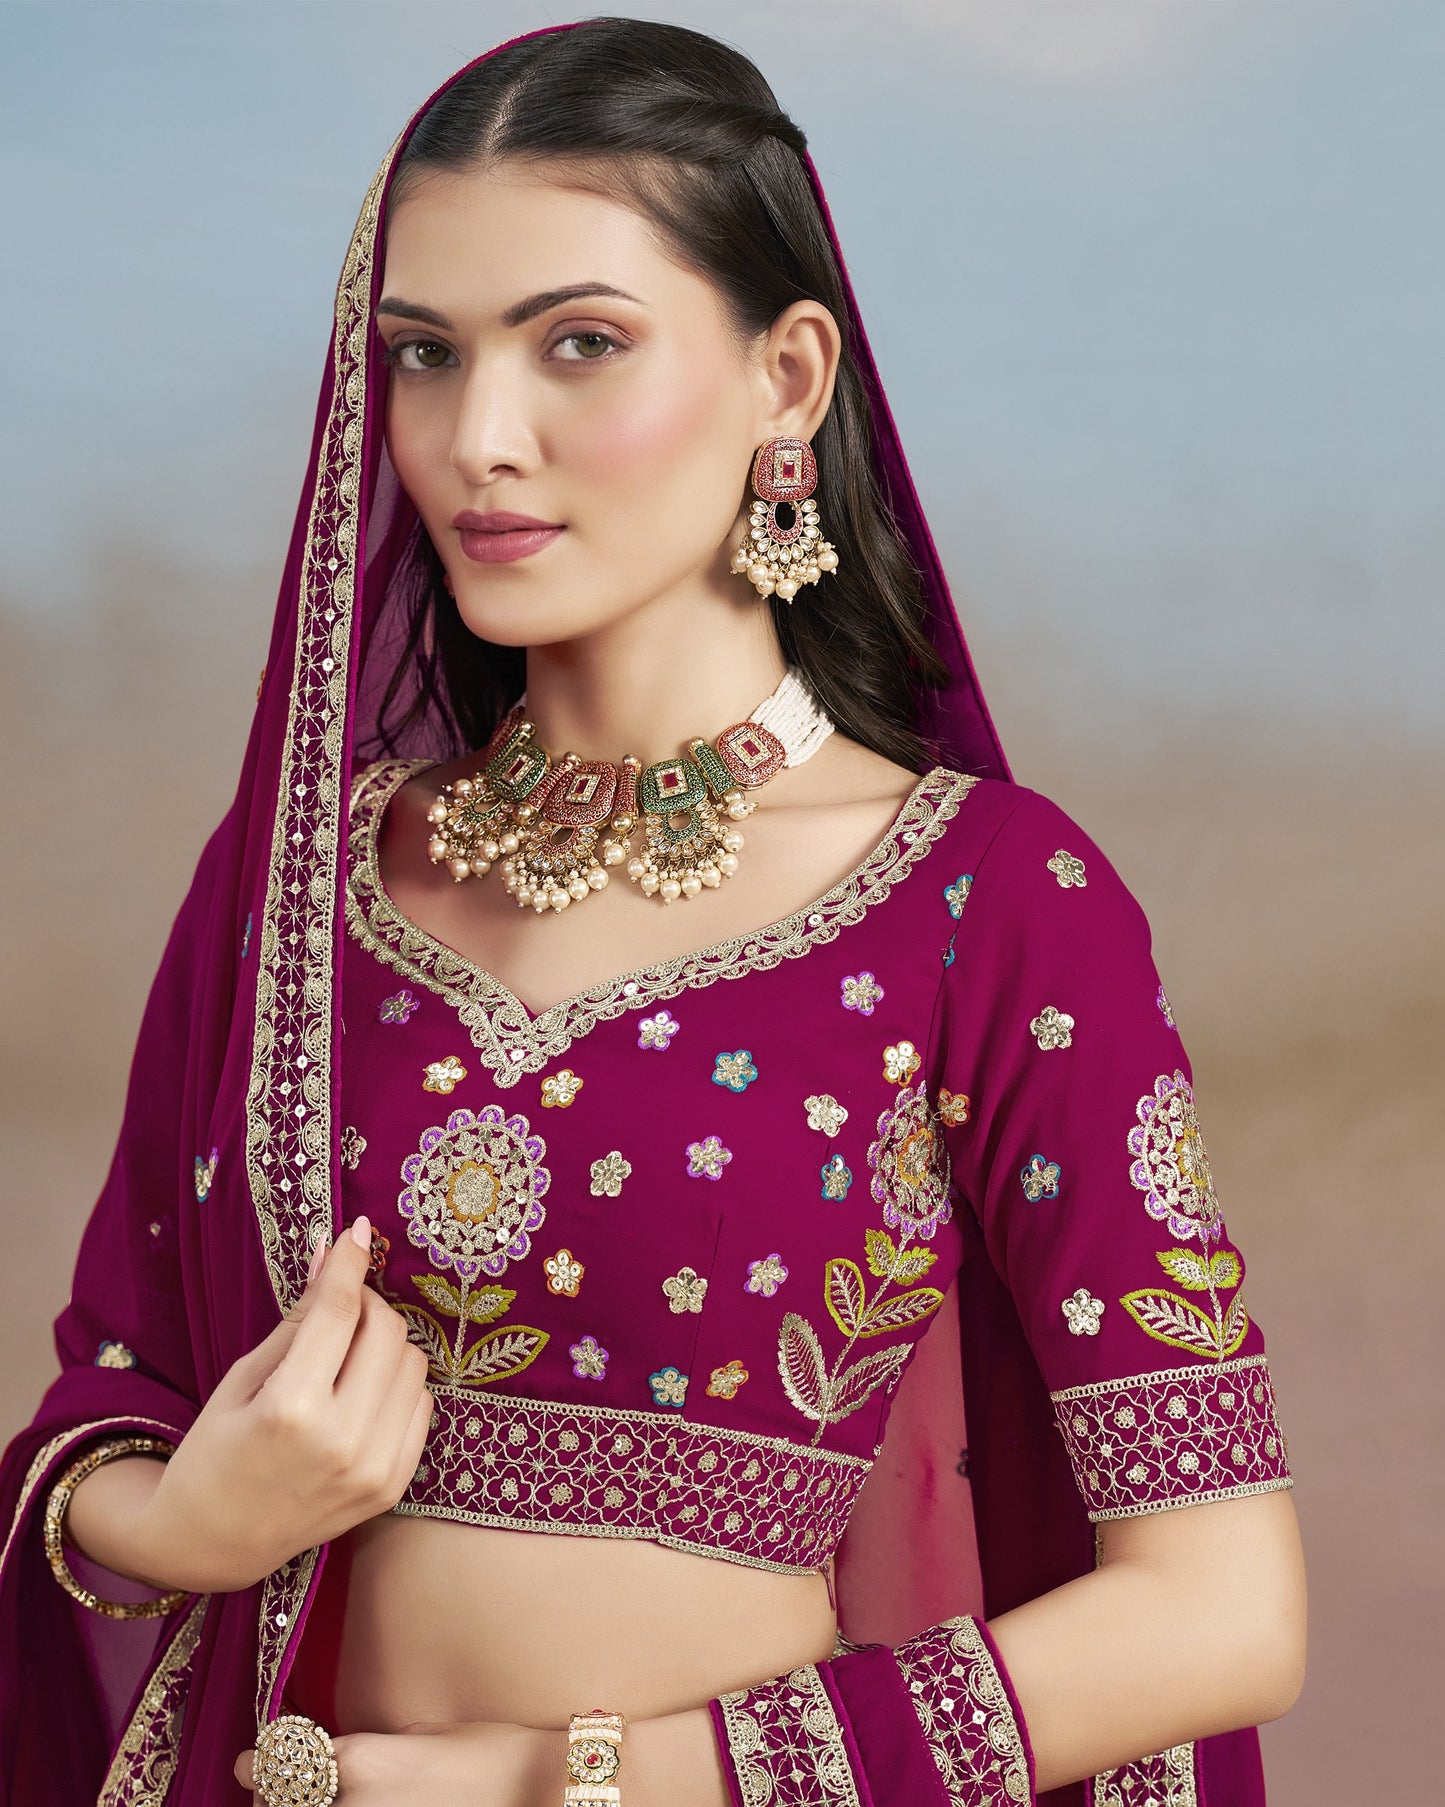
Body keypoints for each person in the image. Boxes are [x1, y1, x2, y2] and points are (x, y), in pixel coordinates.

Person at [0, 17, 1306, 1806]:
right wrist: (192, 1516)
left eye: (580, 346)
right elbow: (117, 1393)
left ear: (788, 378)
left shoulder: (987, 902)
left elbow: (1218, 1611)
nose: (478, 437)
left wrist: (577, 1778)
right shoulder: (295, 881)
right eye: (424, 356)